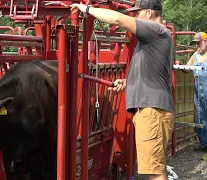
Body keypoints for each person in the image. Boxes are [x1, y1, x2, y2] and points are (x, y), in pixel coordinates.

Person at [70, 0, 175, 180]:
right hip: (154, 109)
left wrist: (87, 9)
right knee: (156, 166)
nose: (134, 17)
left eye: (137, 13)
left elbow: (118, 19)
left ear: (149, 13)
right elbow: (155, 73)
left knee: (154, 172)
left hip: (151, 111)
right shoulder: (158, 38)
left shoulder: (154, 30)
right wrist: (128, 82)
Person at [176, 32, 207, 150]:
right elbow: (188, 69)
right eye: (195, 44)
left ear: (205, 41)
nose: (197, 46)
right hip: (199, 91)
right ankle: (204, 144)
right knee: (200, 117)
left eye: (199, 43)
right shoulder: (196, 55)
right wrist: (180, 65)